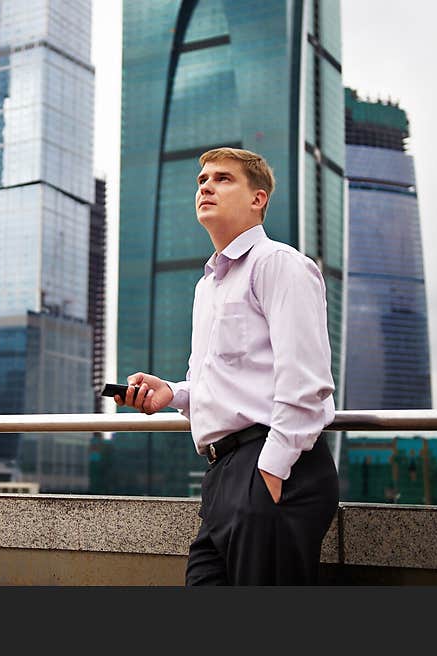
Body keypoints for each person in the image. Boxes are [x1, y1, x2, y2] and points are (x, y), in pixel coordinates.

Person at [116, 147, 339, 585]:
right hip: (221, 474)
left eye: (222, 179)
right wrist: (174, 393)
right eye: (202, 180)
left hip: (273, 463)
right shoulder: (207, 286)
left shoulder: (278, 264)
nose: (206, 186)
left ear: (258, 199)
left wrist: (272, 470)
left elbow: (306, 383)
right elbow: (224, 381)